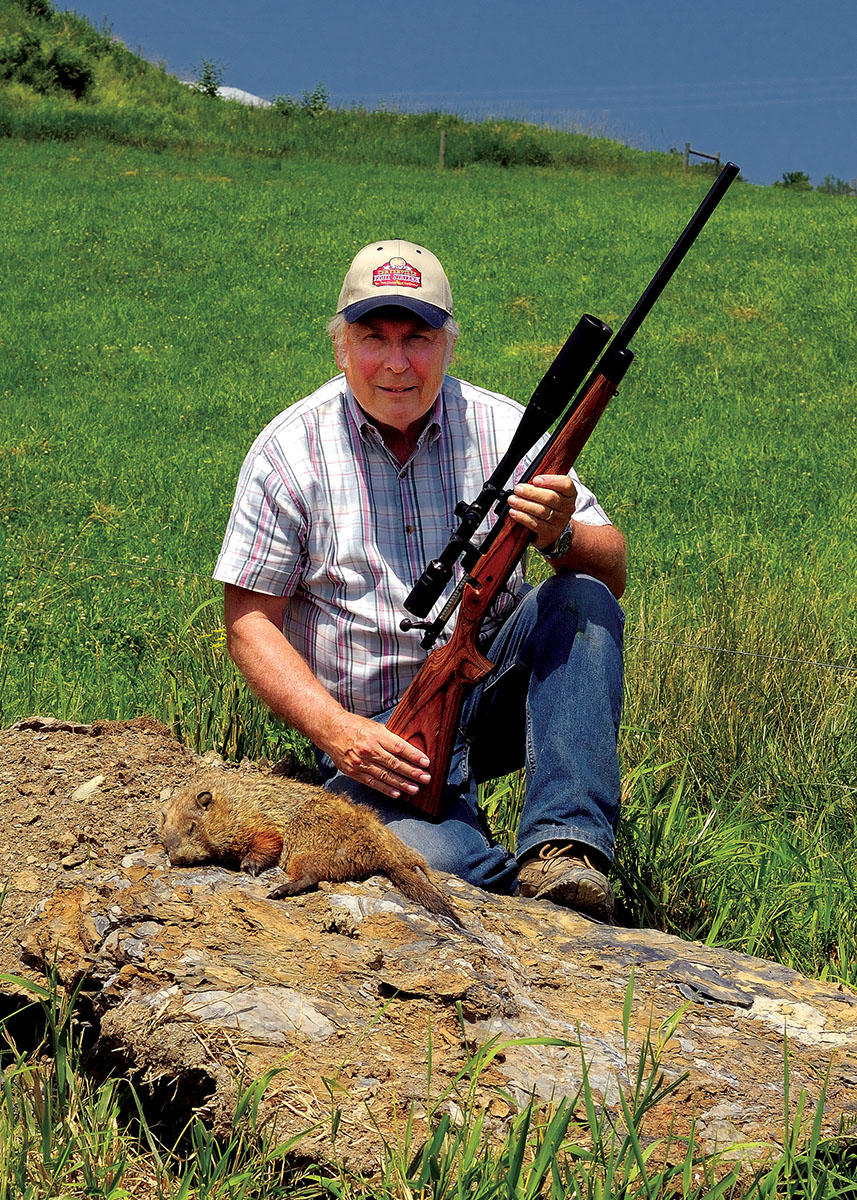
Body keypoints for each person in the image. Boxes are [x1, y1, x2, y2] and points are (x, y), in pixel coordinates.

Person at [214, 239, 626, 920]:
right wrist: (338, 731)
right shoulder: (288, 452)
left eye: (418, 338)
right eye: (374, 337)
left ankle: (565, 851)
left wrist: (561, 535)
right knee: (437, 867)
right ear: (341, 346)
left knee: (579, 600)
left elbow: (611, 571)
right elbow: (248, 621)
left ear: (449, 345)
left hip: (489, 692)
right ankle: (513, 889)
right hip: (372, 740)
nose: (396, 363)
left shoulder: (505, 430)